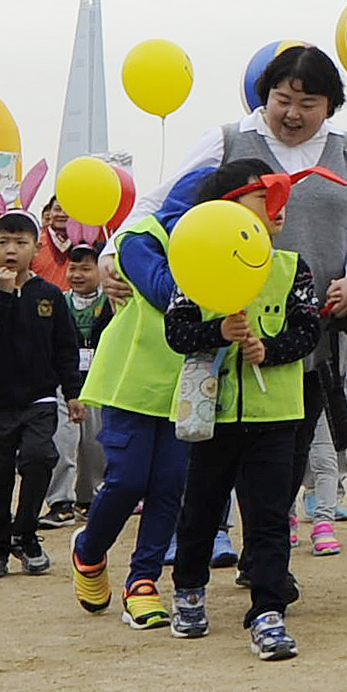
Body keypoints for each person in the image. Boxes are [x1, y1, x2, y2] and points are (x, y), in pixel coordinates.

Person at [160, 45, 347, 548]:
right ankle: (213, 534)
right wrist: (118, 250)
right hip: (226, 325)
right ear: (265, 98)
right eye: (283, 99)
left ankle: (263, 550)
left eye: (309, 104)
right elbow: (169, 199)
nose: (293, 114)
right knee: (217, 448)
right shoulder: (227, 140)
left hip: (309, 328)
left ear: (331, 105)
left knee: (291, 448)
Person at [163, 162, 327, 657]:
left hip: (275, 415)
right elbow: (177, 332)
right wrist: (218, 334)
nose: (277, 209)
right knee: (201, 510)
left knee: (269, 515)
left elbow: (308, 329)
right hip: (209, 416)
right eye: (263, 198)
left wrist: (268, 349)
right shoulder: (192, 264)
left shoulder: (292, 266)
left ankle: (268, 609)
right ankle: (189, 590)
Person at [70, 168, 209, 628]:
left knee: (169, 485)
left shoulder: (232, 250)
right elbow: (163, 289)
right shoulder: (139, 239)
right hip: (130, 383)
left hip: (186, 387)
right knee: (128, 480)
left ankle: (143, 582)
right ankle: (89, 551)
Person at [0, 209, 83, 578]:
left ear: (36, 247)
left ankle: (26, 532)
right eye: (3, 242)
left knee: (39, 458)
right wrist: (1, 296)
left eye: (21, 242)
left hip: (38, 398)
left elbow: (66, 348)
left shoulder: (49, 295)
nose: (11, 250)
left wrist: (72, 392)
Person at [46, 240, 111, 521]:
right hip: (64, 380)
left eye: (86, 268)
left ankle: (89, 497)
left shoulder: (112, 302)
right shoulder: (58, 301)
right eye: (73, 268)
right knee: (63, 441)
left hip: (99, 380)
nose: (77, 275)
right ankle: (60, 502)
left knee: (94, 444)